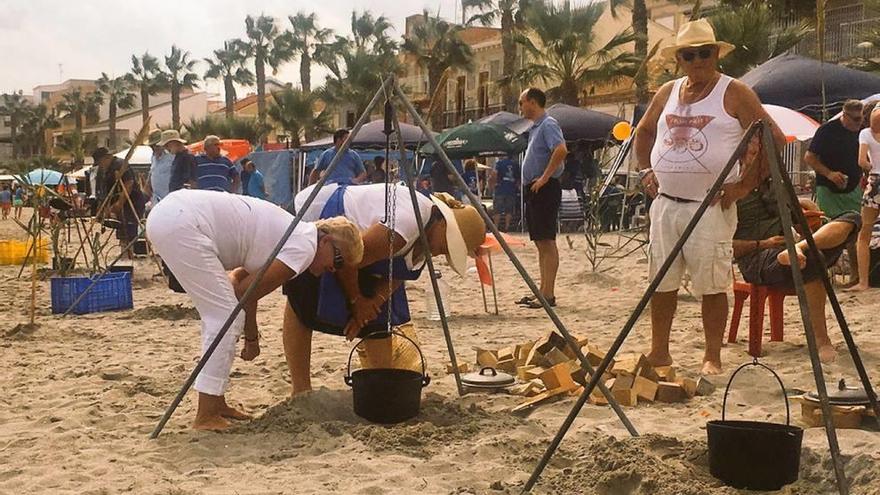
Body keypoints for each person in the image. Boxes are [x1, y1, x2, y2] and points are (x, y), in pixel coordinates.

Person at [633, 19, 786, 375]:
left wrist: (743, 186)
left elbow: (772, 139)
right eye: (689, 54)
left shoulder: (733, 92)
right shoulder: (668, 91)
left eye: (705, 52)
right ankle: (660, 352)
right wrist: (645, 171)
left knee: (712, 284)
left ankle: (712, 356)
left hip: (711, 206)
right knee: (662, 280)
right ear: (680, 59)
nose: (698, 59)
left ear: (716, 53)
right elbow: (643, 132)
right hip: (666, 203)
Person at [146, 189, 363, 430]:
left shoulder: (295, 232)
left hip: (174, 215)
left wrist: (251, 336)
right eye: (338, 261)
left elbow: (242, 281)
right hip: (183, 223)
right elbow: (246, 292)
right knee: (224, 316)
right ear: (326, 241)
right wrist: (251, 337)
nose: (333, 270)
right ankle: (206, 413)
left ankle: (215, 403)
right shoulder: (304, 248)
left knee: (223, 313)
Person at [283, 182, 486, 395]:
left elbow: (398, 274)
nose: (440, 252)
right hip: (319, 215)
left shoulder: (427, 238)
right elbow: (348, 259)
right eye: (446, 245)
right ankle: (301, 389)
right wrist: (356, 300)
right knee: (303, 299)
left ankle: (380, 389)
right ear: (442, 223)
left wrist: (372, 303)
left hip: (359, 250)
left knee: (379, 320)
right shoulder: (405, 224)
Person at [733, 178, 860, 363]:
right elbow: (723, 246)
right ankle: (822, 340)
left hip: (792, 248)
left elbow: (800, 225)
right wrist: (764, 243)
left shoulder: (778, 185)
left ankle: (799, 247)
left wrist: (808, 218)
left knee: (853, 218)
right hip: (757, 258)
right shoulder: (734, 192)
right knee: (813, 258)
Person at [516, 87, 567, 309]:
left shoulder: (548, 124)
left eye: (521, 102)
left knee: (547, 241)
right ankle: (543, 290)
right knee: (539, 242)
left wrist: (545, 178)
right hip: (534, 189)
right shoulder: (536, 128)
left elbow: (560, 150)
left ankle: (549, 293)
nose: (520, 107)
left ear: (533, 102)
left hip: (545, 188)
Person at [804, 99, 864, 286]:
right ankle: (824, 273)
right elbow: (809, 157)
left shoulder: (862, 132)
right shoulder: (827, 131)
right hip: (828, 187)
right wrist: (829, 174)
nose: (858, 123)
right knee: (829, 228)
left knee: (854, 230)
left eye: (860, 119)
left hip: (853, 187)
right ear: (844, 116)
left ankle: (855, 274)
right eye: (854, 119)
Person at [92, 147, 147, 250]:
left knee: (130, 226)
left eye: (100, 162)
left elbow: (128, 184)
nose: (100, 165)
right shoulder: (103, 170)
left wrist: (119, 203)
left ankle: (131, 250)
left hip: (131, 200)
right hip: (117, 200)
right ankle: (124, 249)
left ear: (106, 158)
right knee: (121, 227)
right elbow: (106, 190)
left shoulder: (120, 165)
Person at [850, 107, 880, 291]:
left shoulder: (865, 134)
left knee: (864, 233)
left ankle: (863, 281)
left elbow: (861, 161)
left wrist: (872, 168)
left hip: (875, 181)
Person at [489, 155, 520, 231]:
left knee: (497, 209)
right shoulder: (516, 164)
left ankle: (495, 227)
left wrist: (492, 184)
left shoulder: (499, 163)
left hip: (500, 189)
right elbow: (518, 178)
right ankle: (507, 227)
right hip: (511, 189)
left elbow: (494, 174)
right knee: (509, 210)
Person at [148, 140, 174, 205]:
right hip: (156, 200)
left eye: (157, 145)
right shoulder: (153, 158)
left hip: (169, 198)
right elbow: (152, 173)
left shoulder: (171, 157)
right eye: (152, 146)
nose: (154, 148)